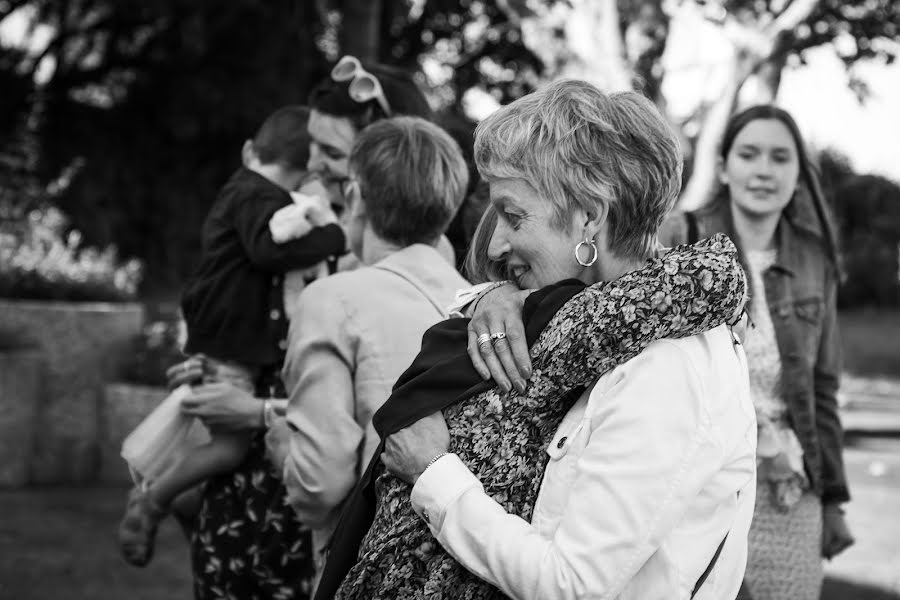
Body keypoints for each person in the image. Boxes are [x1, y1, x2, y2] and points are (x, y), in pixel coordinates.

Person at [316, 80, 756, 600]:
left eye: (513, 215)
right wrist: (500, 295)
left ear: (589, 216)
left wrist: (433, 473)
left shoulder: (666, 369)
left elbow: (573, 585)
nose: (497, 241)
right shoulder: (594, 323)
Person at [141, 105, 345, 598]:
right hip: (229, 352)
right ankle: (157, 498)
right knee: (228, 448)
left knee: (223, 453)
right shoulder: (260, 196)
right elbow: (269, 250)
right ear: (312, 166)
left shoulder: (250, 191)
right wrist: (333, 235)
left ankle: (181, 499)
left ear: (251, 150)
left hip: (232, 355)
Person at [260, 115, 470, 588]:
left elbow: (320, 483)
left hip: (363, 565)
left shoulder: (332, 300)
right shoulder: (477, 302)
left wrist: (281, 447)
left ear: (355, 197)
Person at [659, 105, 854, 600]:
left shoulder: (815, 259)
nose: (764, 170)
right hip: (698, 485)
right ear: (724, 167)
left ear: (797, 174)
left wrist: (833, 502)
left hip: (788, 489)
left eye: (779, 158)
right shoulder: (681, 238)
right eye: (748, 155)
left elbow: (823, 390)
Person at [305, 55, 456, 266]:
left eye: (333, 153)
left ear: (391, 162)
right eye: (311, 143)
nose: (311, 165)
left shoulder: (422, 258)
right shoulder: (312, 205)